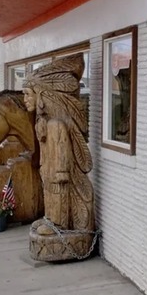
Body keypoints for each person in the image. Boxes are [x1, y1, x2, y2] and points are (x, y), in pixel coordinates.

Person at [23, 54, 94, 236]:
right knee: (49, 194)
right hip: (47, 170)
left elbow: (62, 148)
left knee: (58, 194)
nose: (25, 99)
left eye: (28, 94)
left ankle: (59, 223)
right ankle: (50, 218)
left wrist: (61, 171)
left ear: (40, 95)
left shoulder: (56, 124)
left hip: (58, 173)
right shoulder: (43, 122)